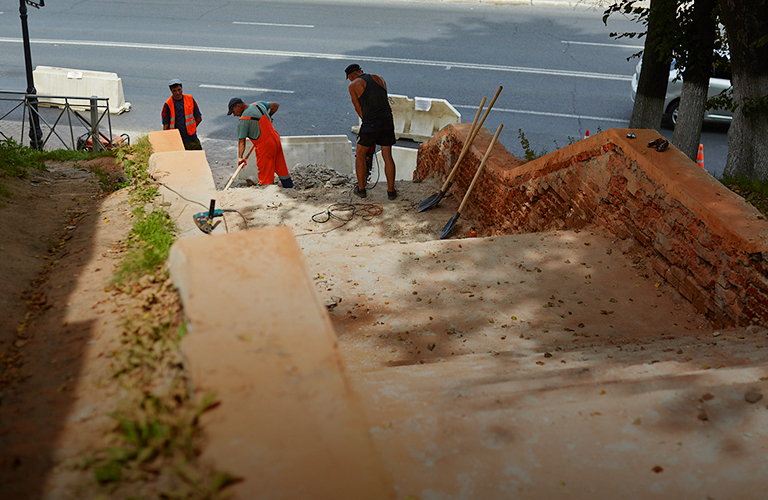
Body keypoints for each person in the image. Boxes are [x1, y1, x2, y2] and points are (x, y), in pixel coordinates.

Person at [345, 63, 397, 200]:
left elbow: (358, 108)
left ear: (350, 76)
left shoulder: (353, 85)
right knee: (387, 156)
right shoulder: (378, 78)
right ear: (361, 71)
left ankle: (361, 189)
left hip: (371, 122)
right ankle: (391, 191)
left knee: (360, 155)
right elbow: (382, 97)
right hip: (387, 119)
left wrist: (367, 124)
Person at [227, 97, 293, 188]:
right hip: (275, 139)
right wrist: (270, 115)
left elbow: (241, 141)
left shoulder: (244, 120)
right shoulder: (258, 104)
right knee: (281, 167)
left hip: (265, 147)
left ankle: (268, 192)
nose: (234, 115)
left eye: (233, 112)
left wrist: (240, 158)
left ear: (238, 106)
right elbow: (275, 105)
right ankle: (289, 187)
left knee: (265, 173)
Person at [161, 79, 203, 150]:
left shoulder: (190, 99)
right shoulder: (168, 105)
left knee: (196, 158)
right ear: (171, 91)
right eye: (174, 91)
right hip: (176, 140)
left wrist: (192, 128)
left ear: (182, 88)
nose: (177, 93)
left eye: (179, 90)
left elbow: (199, 118)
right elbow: (166, 126)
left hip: (191, 138)